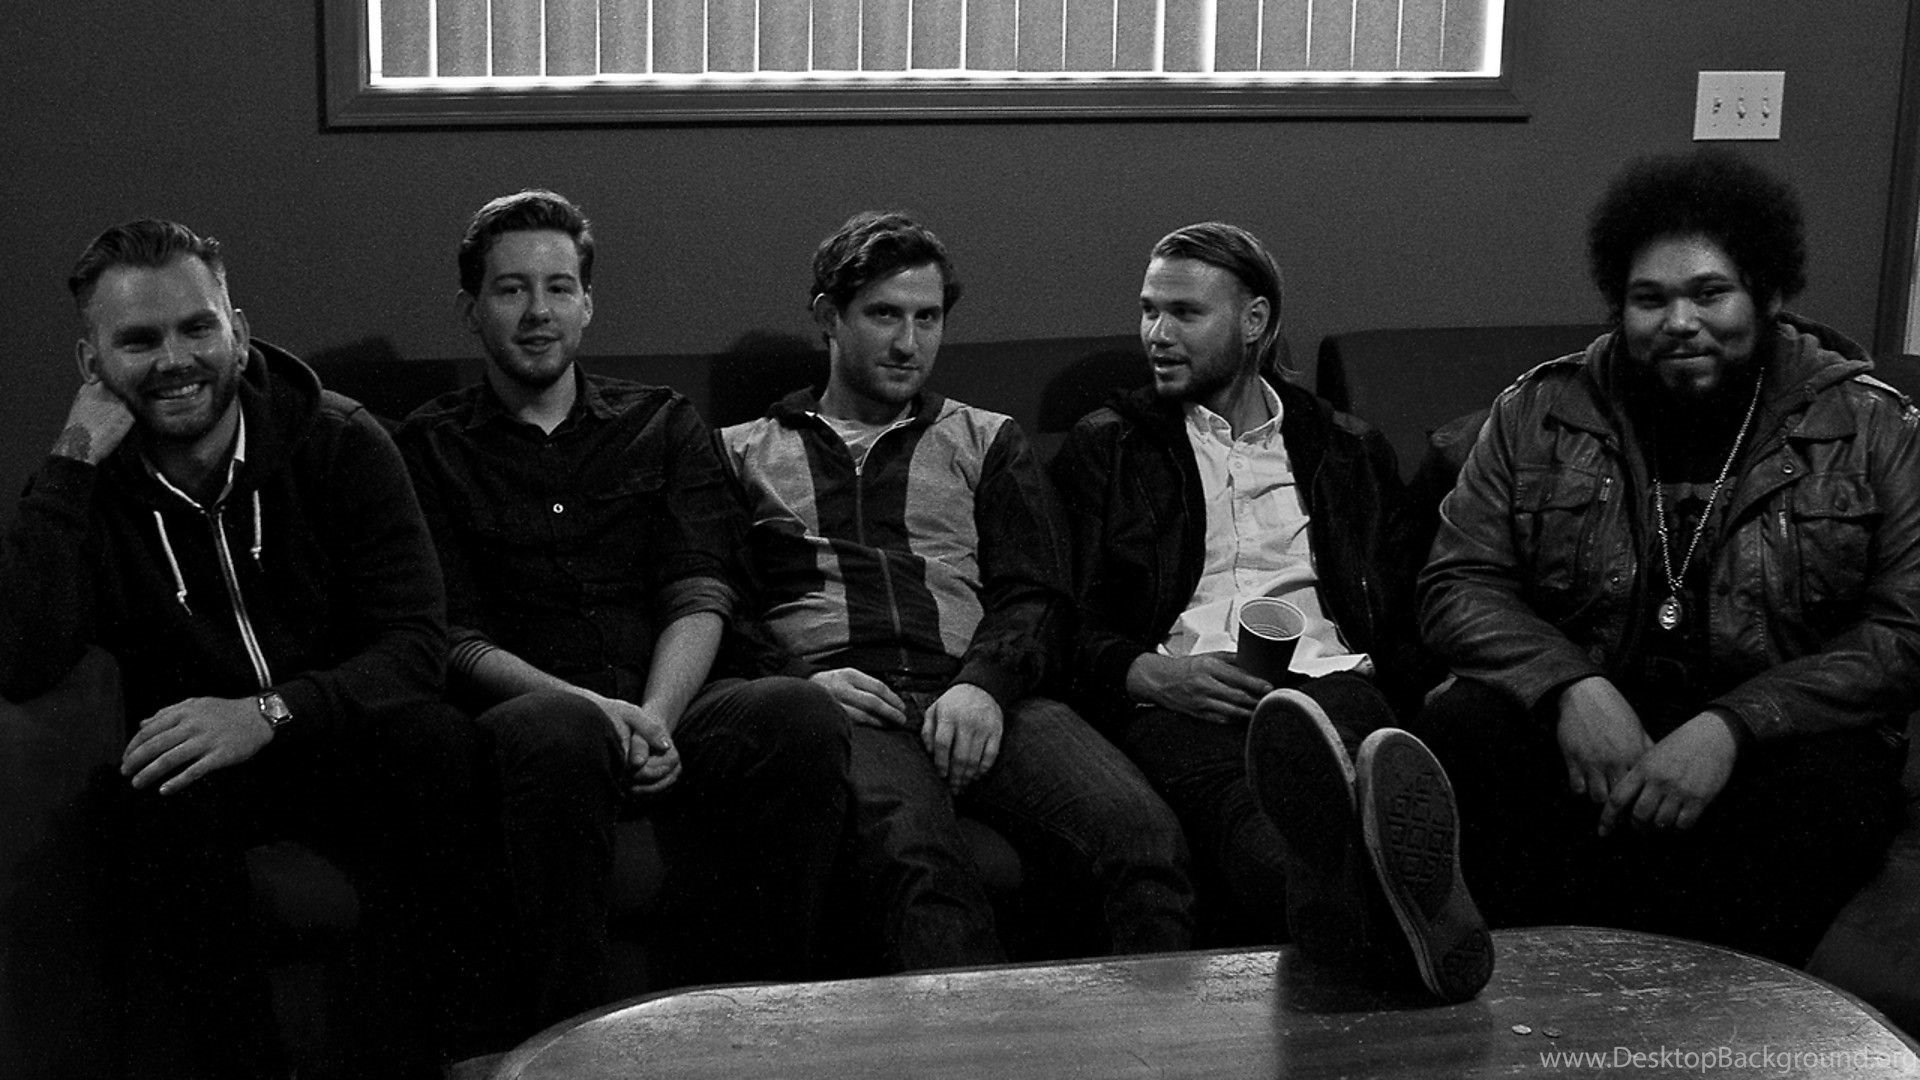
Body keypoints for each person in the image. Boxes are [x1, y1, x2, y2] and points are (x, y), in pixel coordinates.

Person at [0, 220, 489, 1078]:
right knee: (146, 802)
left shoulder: (339, 441)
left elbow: (415, 644)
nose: (175, 359)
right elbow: (23, 658)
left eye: (197, 328)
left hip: (342, 731)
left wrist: (268, 713)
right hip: (204, 770)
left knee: (441, 745)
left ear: (239, 330)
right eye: (139, 341)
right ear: (91, 364)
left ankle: (448, 1057)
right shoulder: (87, 487)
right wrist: (72, 461)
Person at [1417, 149, 1920, 965]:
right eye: (1650, 299)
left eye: (1710, 293)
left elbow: (1904, 630)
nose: (1679, 321)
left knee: (1835, 781)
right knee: (1464, 722)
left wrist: (1734, 726)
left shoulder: (1874, 428)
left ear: (1769, 296)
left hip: (1777, 741)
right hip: (1587, 728)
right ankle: (1522, 974)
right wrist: (1567, 687)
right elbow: (1457, 583)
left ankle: (1679, 993)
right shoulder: (1537, 410)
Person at [395, 190, 852, 1032]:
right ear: (471, 310)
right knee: (561, 731)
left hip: (667, 702)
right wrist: (594, 711)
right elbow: (452, 636)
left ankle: (765, 1025)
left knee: (796, 712)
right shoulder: (425, 445)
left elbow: (700, 589)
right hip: (531, 717)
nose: (538, 312)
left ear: (587, 304)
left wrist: (655, 719)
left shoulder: (660, 421)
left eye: (559, 287)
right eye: (511, 289)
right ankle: (567, 1042)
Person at [718, 210, 1194, 970]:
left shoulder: (985, 437)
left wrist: (984, 686)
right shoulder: (742, 451)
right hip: (850, 700)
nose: (909, 343)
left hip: (980, 687)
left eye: (928, 318)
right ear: (828, 318)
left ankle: (1156, 1036)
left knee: (1142, 835)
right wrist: (799, 681)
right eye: (884, 315)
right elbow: (719, 603)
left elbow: (1036, 592)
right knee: (920, 867)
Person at [1049, 221, 1491, 1002]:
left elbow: (1398, 604)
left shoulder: (1346, 448)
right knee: (1248, 803)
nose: (1156, 334)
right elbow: (1063, 618)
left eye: (1185, 313)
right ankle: (1413, 921)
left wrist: (1435, 680)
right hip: (1185, 696)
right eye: (1149, 310)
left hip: (1329, 679)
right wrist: (1148, 673)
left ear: (1254, 321)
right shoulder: (1108, 446)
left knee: (1346, 772)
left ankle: (1356, 907)